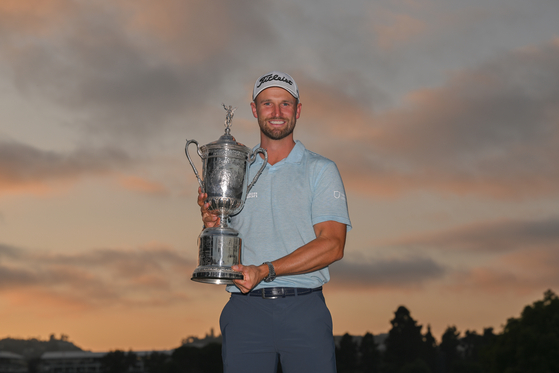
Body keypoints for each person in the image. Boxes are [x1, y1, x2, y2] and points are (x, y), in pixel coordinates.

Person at [197, 71, 352, 373]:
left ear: (298, 110)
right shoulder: (235, 169)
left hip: (304, 309)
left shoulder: (320, 169)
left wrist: (266, 270)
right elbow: (227, 242)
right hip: (245, 310)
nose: (277, 113)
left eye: (286, 104)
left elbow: (332, 245)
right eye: (268, 104)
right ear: (255, 110)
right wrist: (212, 221)